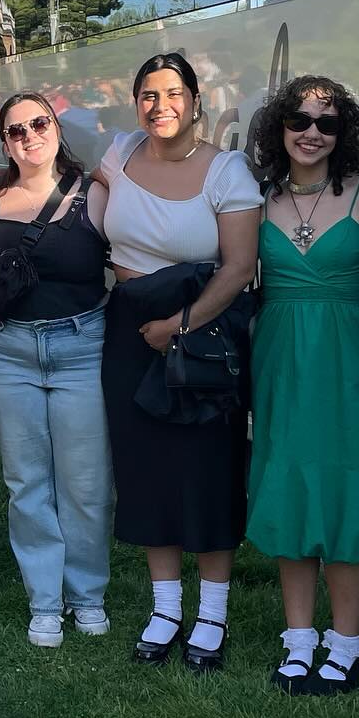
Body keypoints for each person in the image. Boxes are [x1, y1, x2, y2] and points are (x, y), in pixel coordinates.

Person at [97, 53, 261, 672]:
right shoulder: (119, 154)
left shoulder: (228, 171)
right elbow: (90, 193)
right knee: (144, 470)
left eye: (172, 94)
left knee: (208, 470)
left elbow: (239, 268)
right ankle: (166, 608)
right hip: (129, 328)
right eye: (147, 94)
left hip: (204, 329)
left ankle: (212, 613)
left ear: (196, 101)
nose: (159, 106)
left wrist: (179, 327)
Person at [246, 76, 359, 693]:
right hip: (279, 359)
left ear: (343, 135)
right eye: (299, 119)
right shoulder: (258, 198)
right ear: (280, 127)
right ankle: (298, 638)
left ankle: (347, 642)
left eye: (326, 124)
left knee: (343, 489)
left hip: (346, 360)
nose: (311, 132)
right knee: (288, 488)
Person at [0, 92, 112, 649]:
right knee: (27, 480)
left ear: (56, 127)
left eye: (39, 124)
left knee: (85, 481)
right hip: (6, 352)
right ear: (4, 142)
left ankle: (88, 594)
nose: (29, 136)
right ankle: (45, 600)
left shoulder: (95, 193)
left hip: (81, 347)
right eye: (15, 130)